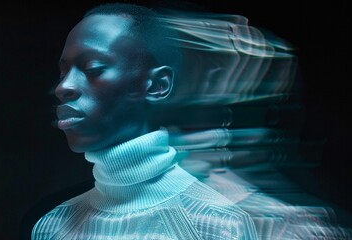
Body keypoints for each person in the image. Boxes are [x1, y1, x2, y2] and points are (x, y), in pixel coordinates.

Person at [31, 3, 259, 240]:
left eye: (92, 68)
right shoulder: (51, 227)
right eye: (63, 73)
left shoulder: (219, 226)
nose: (63, 87)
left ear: (158, 85)